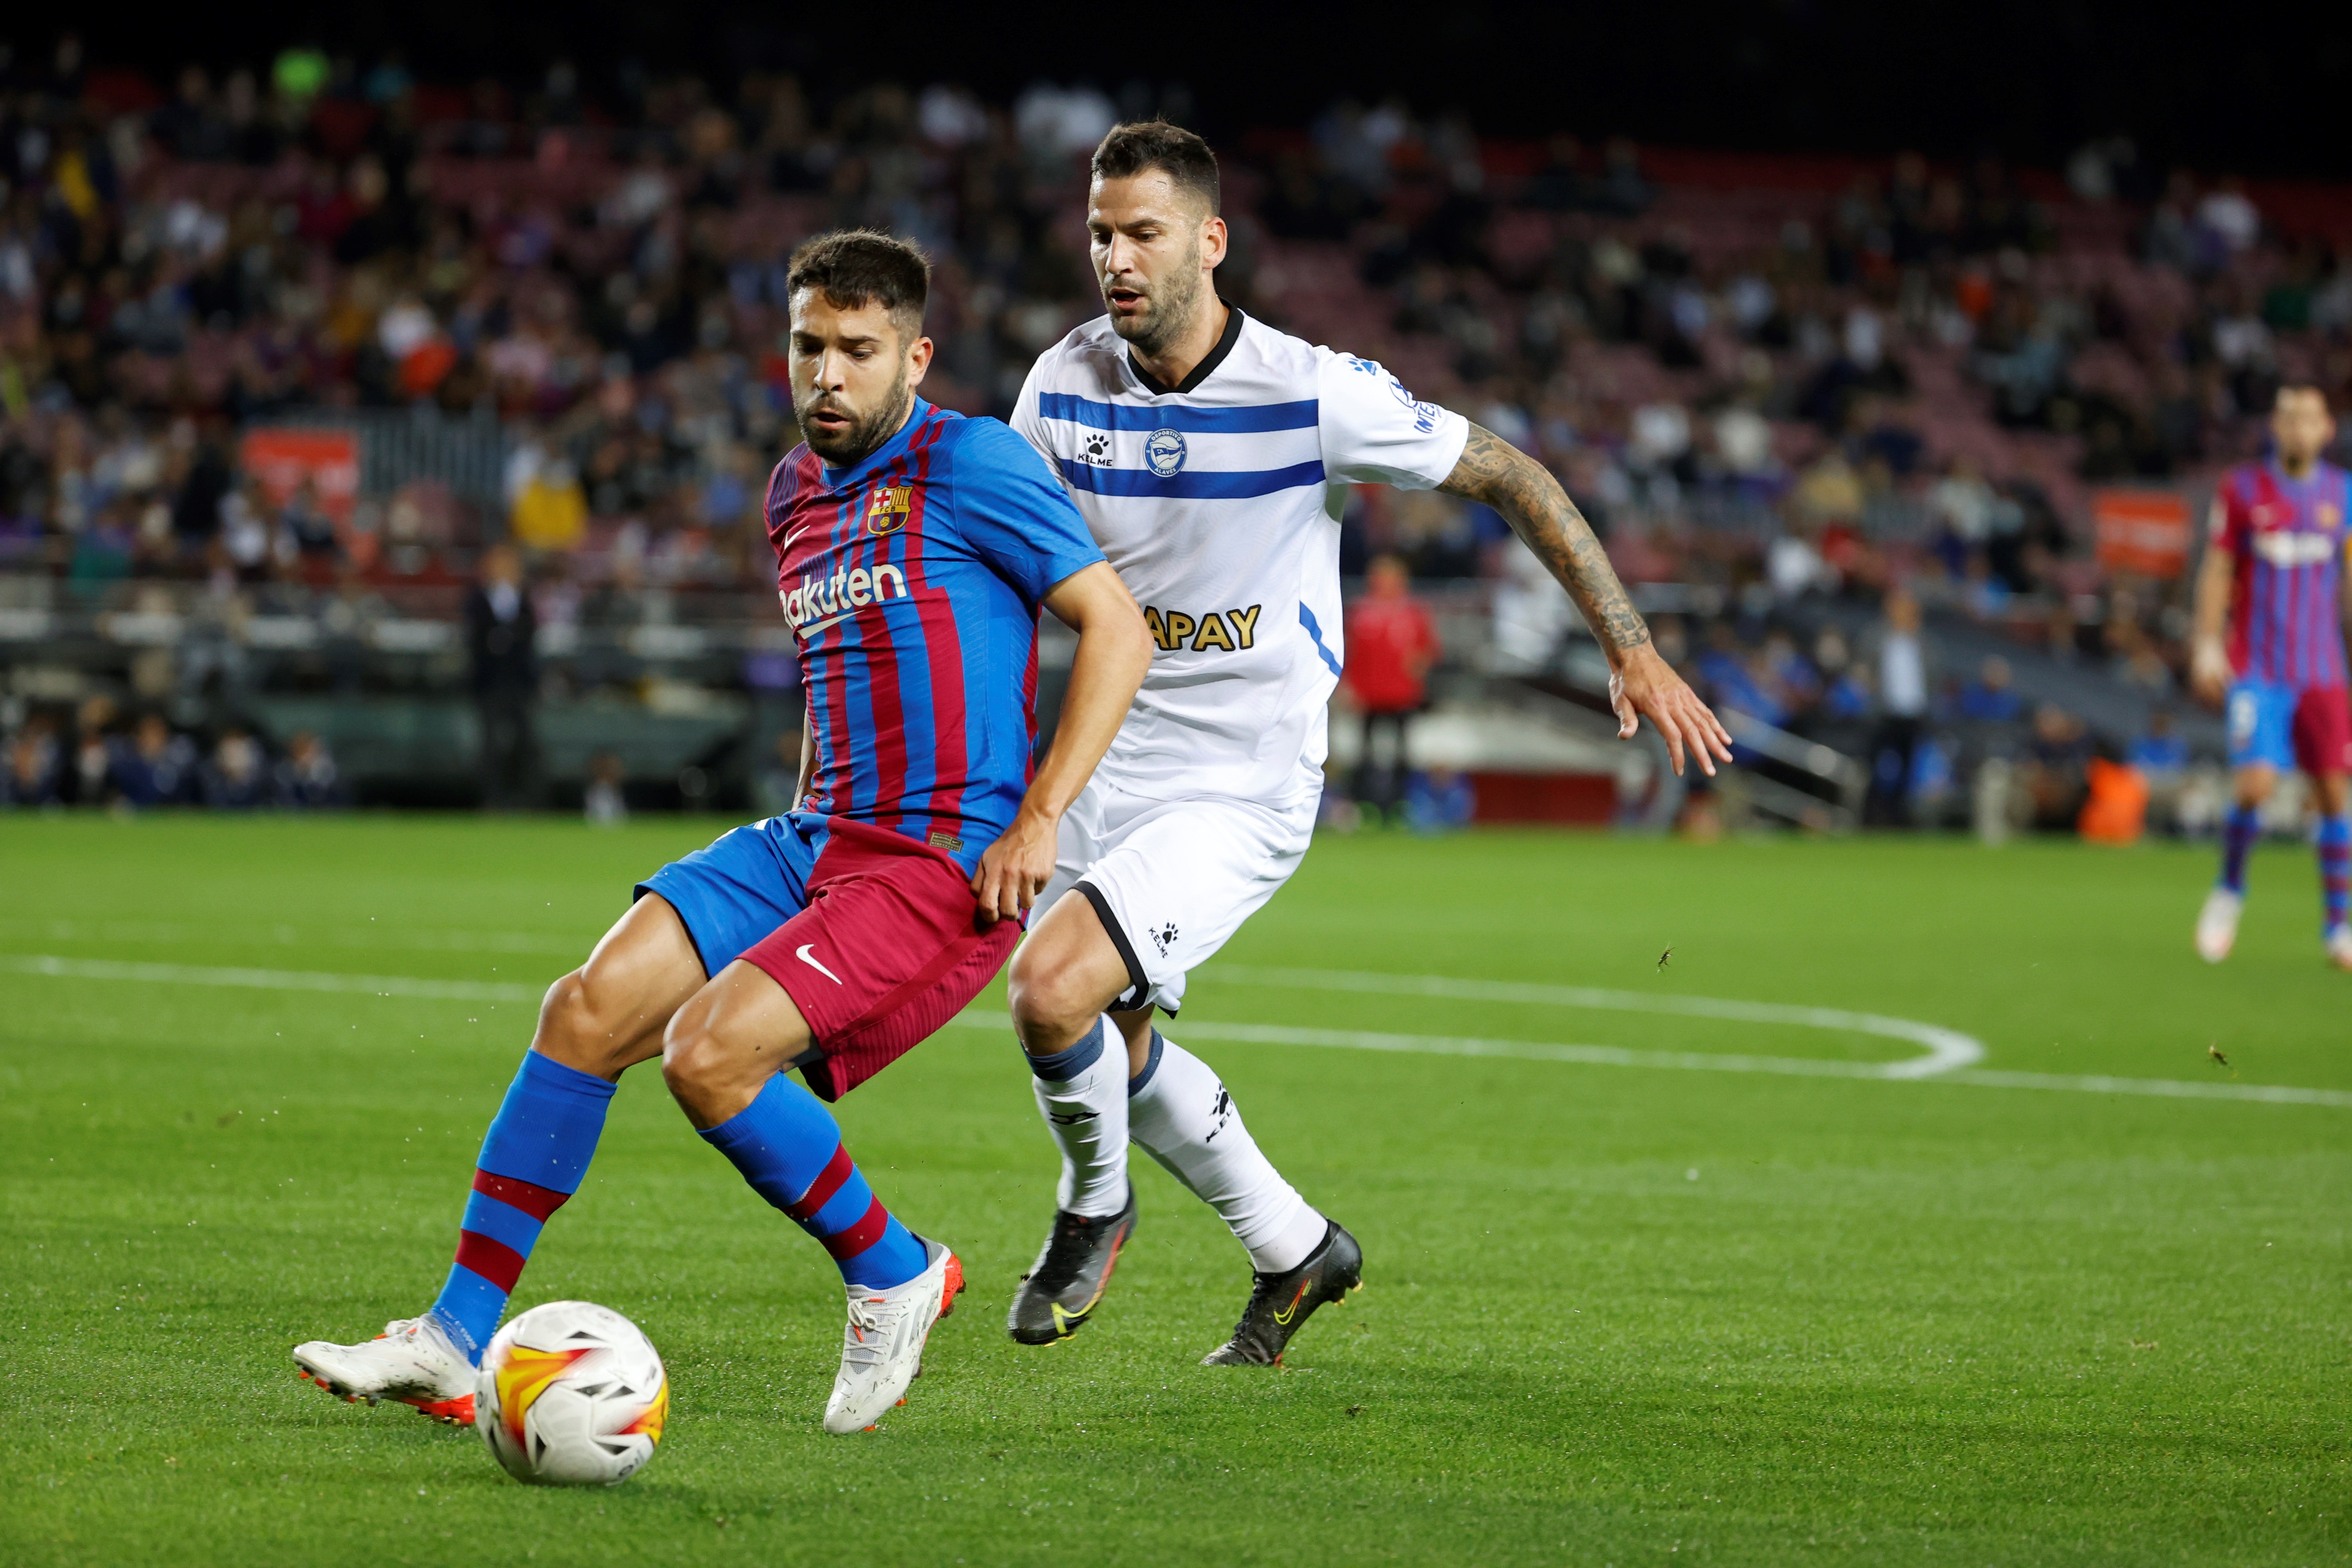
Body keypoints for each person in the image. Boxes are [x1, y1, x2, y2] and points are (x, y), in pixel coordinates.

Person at [292, 231, 1151, 1436]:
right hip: (818, 835)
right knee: (583, 1011)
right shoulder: (792, 491)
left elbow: (1118, 630)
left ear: (917, 355)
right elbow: (841, 669)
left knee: (708, 1056)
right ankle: (453, 1341)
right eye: (810, 347)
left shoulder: (977, 464)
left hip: (937, 857)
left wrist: (1043, 816)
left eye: (860, 351)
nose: (829, 376)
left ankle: (895, 1268)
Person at [1003, 122, 1730, 1365]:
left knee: (1053, 986)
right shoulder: (1060, 388)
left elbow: (1511, 474)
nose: (1117, 259)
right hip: (1101, 766)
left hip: (1240, 785)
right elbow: (1013, 575)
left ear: (1211, 241)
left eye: (1145, 233)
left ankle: (1094, 1207)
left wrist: (1629, 642)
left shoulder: (1312, 392)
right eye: (1100, 235)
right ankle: (1297, 1249)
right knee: (1090, 1032)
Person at [2190, 385, 2352, 967]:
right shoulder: (2241, 490)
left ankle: (2338, 926)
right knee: (2255, 784)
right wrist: (2207, 643)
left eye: (2309, 419)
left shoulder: (2344, 495)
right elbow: (2218, 567)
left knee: (2334, 791)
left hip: (2323, 669)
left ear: (2327, 429)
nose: (2298, 429)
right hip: (2259, 667)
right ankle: (2230, 890)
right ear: (2274, 428)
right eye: (2288, 419)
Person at [1344, 553, 1439, 821]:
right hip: (1369, 694)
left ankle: (1399, 805)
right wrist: (1348, 687)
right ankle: (1363, 806)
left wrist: (1420, 664)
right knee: (1364, 754)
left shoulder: (1413, 612)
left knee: (1401, 753)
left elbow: (1429, 649)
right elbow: (1350, 653)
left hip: (1401, 694)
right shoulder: (1361, 612)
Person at [465, 543, 540, 810]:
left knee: (527, 745)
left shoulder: (523, 599)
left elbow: (529, 636)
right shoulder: (479, 598)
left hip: (519, 684)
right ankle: (493, 800)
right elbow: (476, 640)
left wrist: (503, 640)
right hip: (490, 684)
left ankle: (529, 801)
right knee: (490, 746)